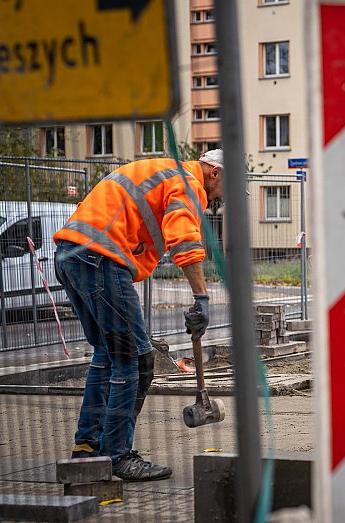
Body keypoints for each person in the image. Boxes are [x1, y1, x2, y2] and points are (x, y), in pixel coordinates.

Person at [53, 150, 224, 480]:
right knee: (135, 359)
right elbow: (184, 240)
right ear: (215, 173)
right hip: (100, 258)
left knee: (109, 354)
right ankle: (117, 455)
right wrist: (201, 298)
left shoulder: (164, 171)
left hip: (71, 255)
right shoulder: (188, 183)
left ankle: (88, 449)